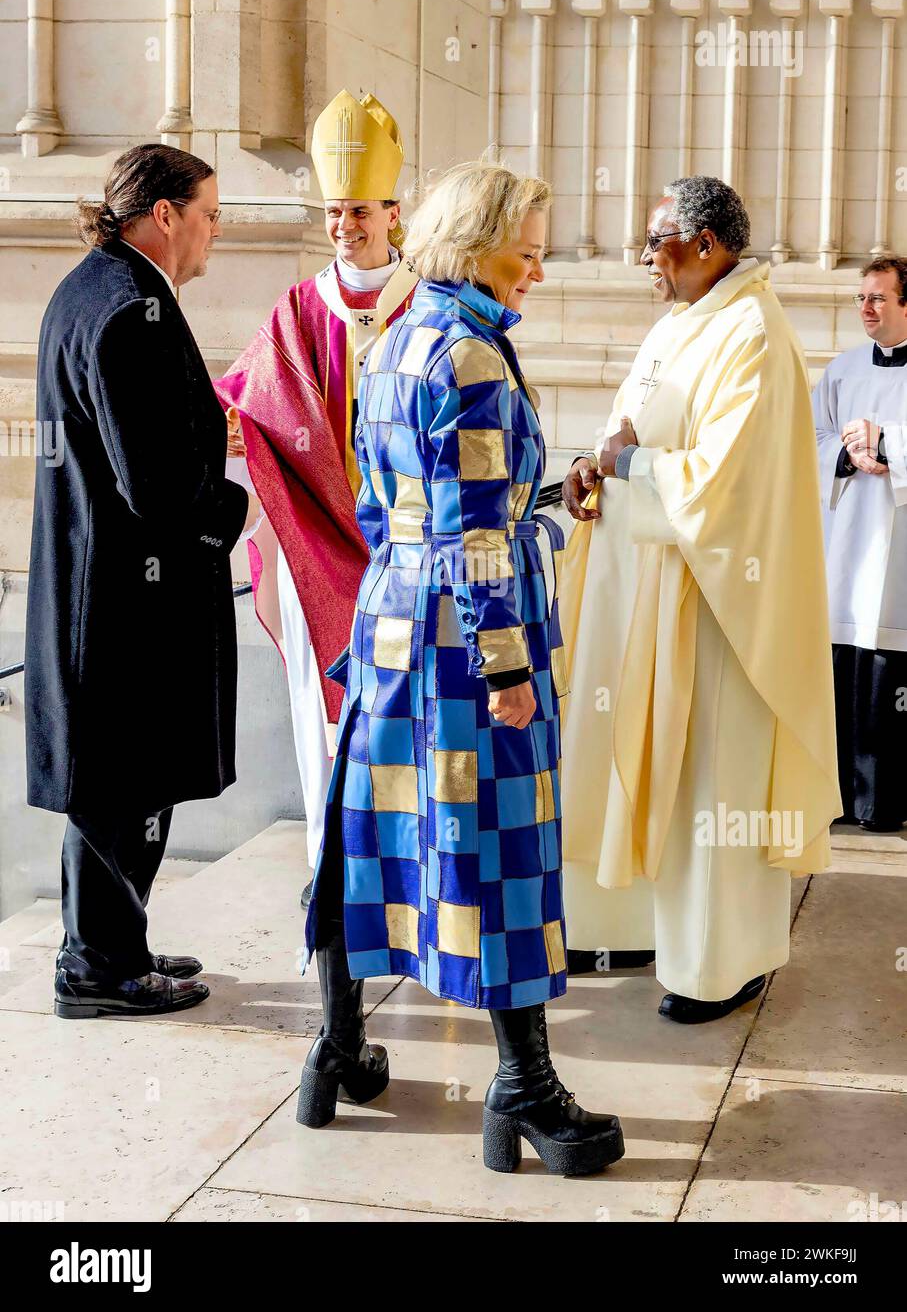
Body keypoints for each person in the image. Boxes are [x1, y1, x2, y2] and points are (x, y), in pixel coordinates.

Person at [296, 159, 624, 1177]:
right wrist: (506, 666)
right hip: (465, 642)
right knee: (505, 854)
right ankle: (524, 1089)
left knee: (371, 835)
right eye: (523, 250)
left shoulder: (393, 341)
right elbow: (478, 538)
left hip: (390, 618)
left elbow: (373, 507)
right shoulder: (472, 359)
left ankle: (339, 1051)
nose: (536, 267)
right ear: (473, 245)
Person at [558, 176, 841, 1024]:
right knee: (645, 767)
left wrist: (626, 469)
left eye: (657, 242)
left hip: (719, 605)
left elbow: (725, 486)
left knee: (710, 783)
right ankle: (638, 924)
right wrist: (590, 465)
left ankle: (724, 962)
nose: (645, 258)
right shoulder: (681, 324)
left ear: (708, 243)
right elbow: (631, 429)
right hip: (648, 588)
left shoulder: (751, 333)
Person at [25, 144, 259, 1019]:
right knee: (118, 783)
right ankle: (98, 970)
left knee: (124, 779)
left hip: (107, 586)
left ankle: (112, 944)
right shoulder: (129, 309)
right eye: (208, 213)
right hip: (127, 597)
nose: (213, 232)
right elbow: (155, 488)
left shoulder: (95, 286)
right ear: (163, 214)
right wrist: (238, 505)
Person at [214, 92, 418, 902]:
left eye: (359, 211)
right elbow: (245, 393)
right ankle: (328, 864)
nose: (344, 226)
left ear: (393, 212)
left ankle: (398, 863)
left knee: (403, 712)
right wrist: (234, 428)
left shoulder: (428, 303)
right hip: (312, 542)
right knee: (319, 709)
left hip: (407, 548)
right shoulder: (300, 307)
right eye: (334, 212)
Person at [813, 256, 907, 832]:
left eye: (878, 298)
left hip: (899, 551)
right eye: (861, 299)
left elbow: (887, 442)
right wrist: (847, 455)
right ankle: (843, 798)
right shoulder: (842, 371)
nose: (866, 309)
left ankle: (889, 803)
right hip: (849, 548)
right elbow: (812, 437)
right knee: (845, 670)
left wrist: (888, 444)